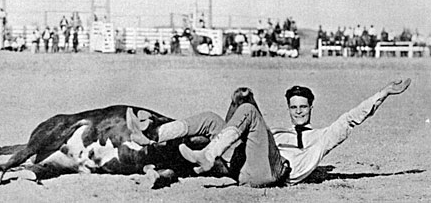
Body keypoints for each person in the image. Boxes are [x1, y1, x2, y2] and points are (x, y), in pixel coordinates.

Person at [145, 78, 411, 187]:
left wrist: (384, 93)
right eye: (294, 107)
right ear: (289, 108)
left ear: (311, 108)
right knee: (212, 118)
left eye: (303, 107)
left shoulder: (322, 137)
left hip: (276, 172)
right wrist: (236, 102)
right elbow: (234, 130)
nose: (298, 112)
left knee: (249, 111)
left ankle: (207, 156)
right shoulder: (279, 134)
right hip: (245, 167)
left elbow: (351, 119)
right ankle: (156, 134)